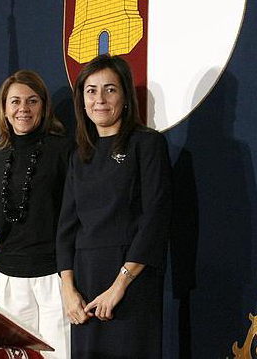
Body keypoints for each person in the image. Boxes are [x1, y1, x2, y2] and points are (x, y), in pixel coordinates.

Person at [56, 54, 172, 358]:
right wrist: (69, 292)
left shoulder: (147, 145)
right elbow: (66, 229)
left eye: (110, 89)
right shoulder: (78, 154)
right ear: (81, 100)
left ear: (125, 97)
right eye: (91, 90)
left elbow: (155, 220)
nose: (100, 99)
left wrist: (120, 285)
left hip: (131, 282)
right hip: (85, 283)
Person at [0, 70, 73, 359]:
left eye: (32, 101)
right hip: (10, 276)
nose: (23, 109)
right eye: (15, 102)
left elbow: (73, 216)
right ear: (4, 109)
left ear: (44, 106)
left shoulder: (63, 150)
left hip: (53, 277)